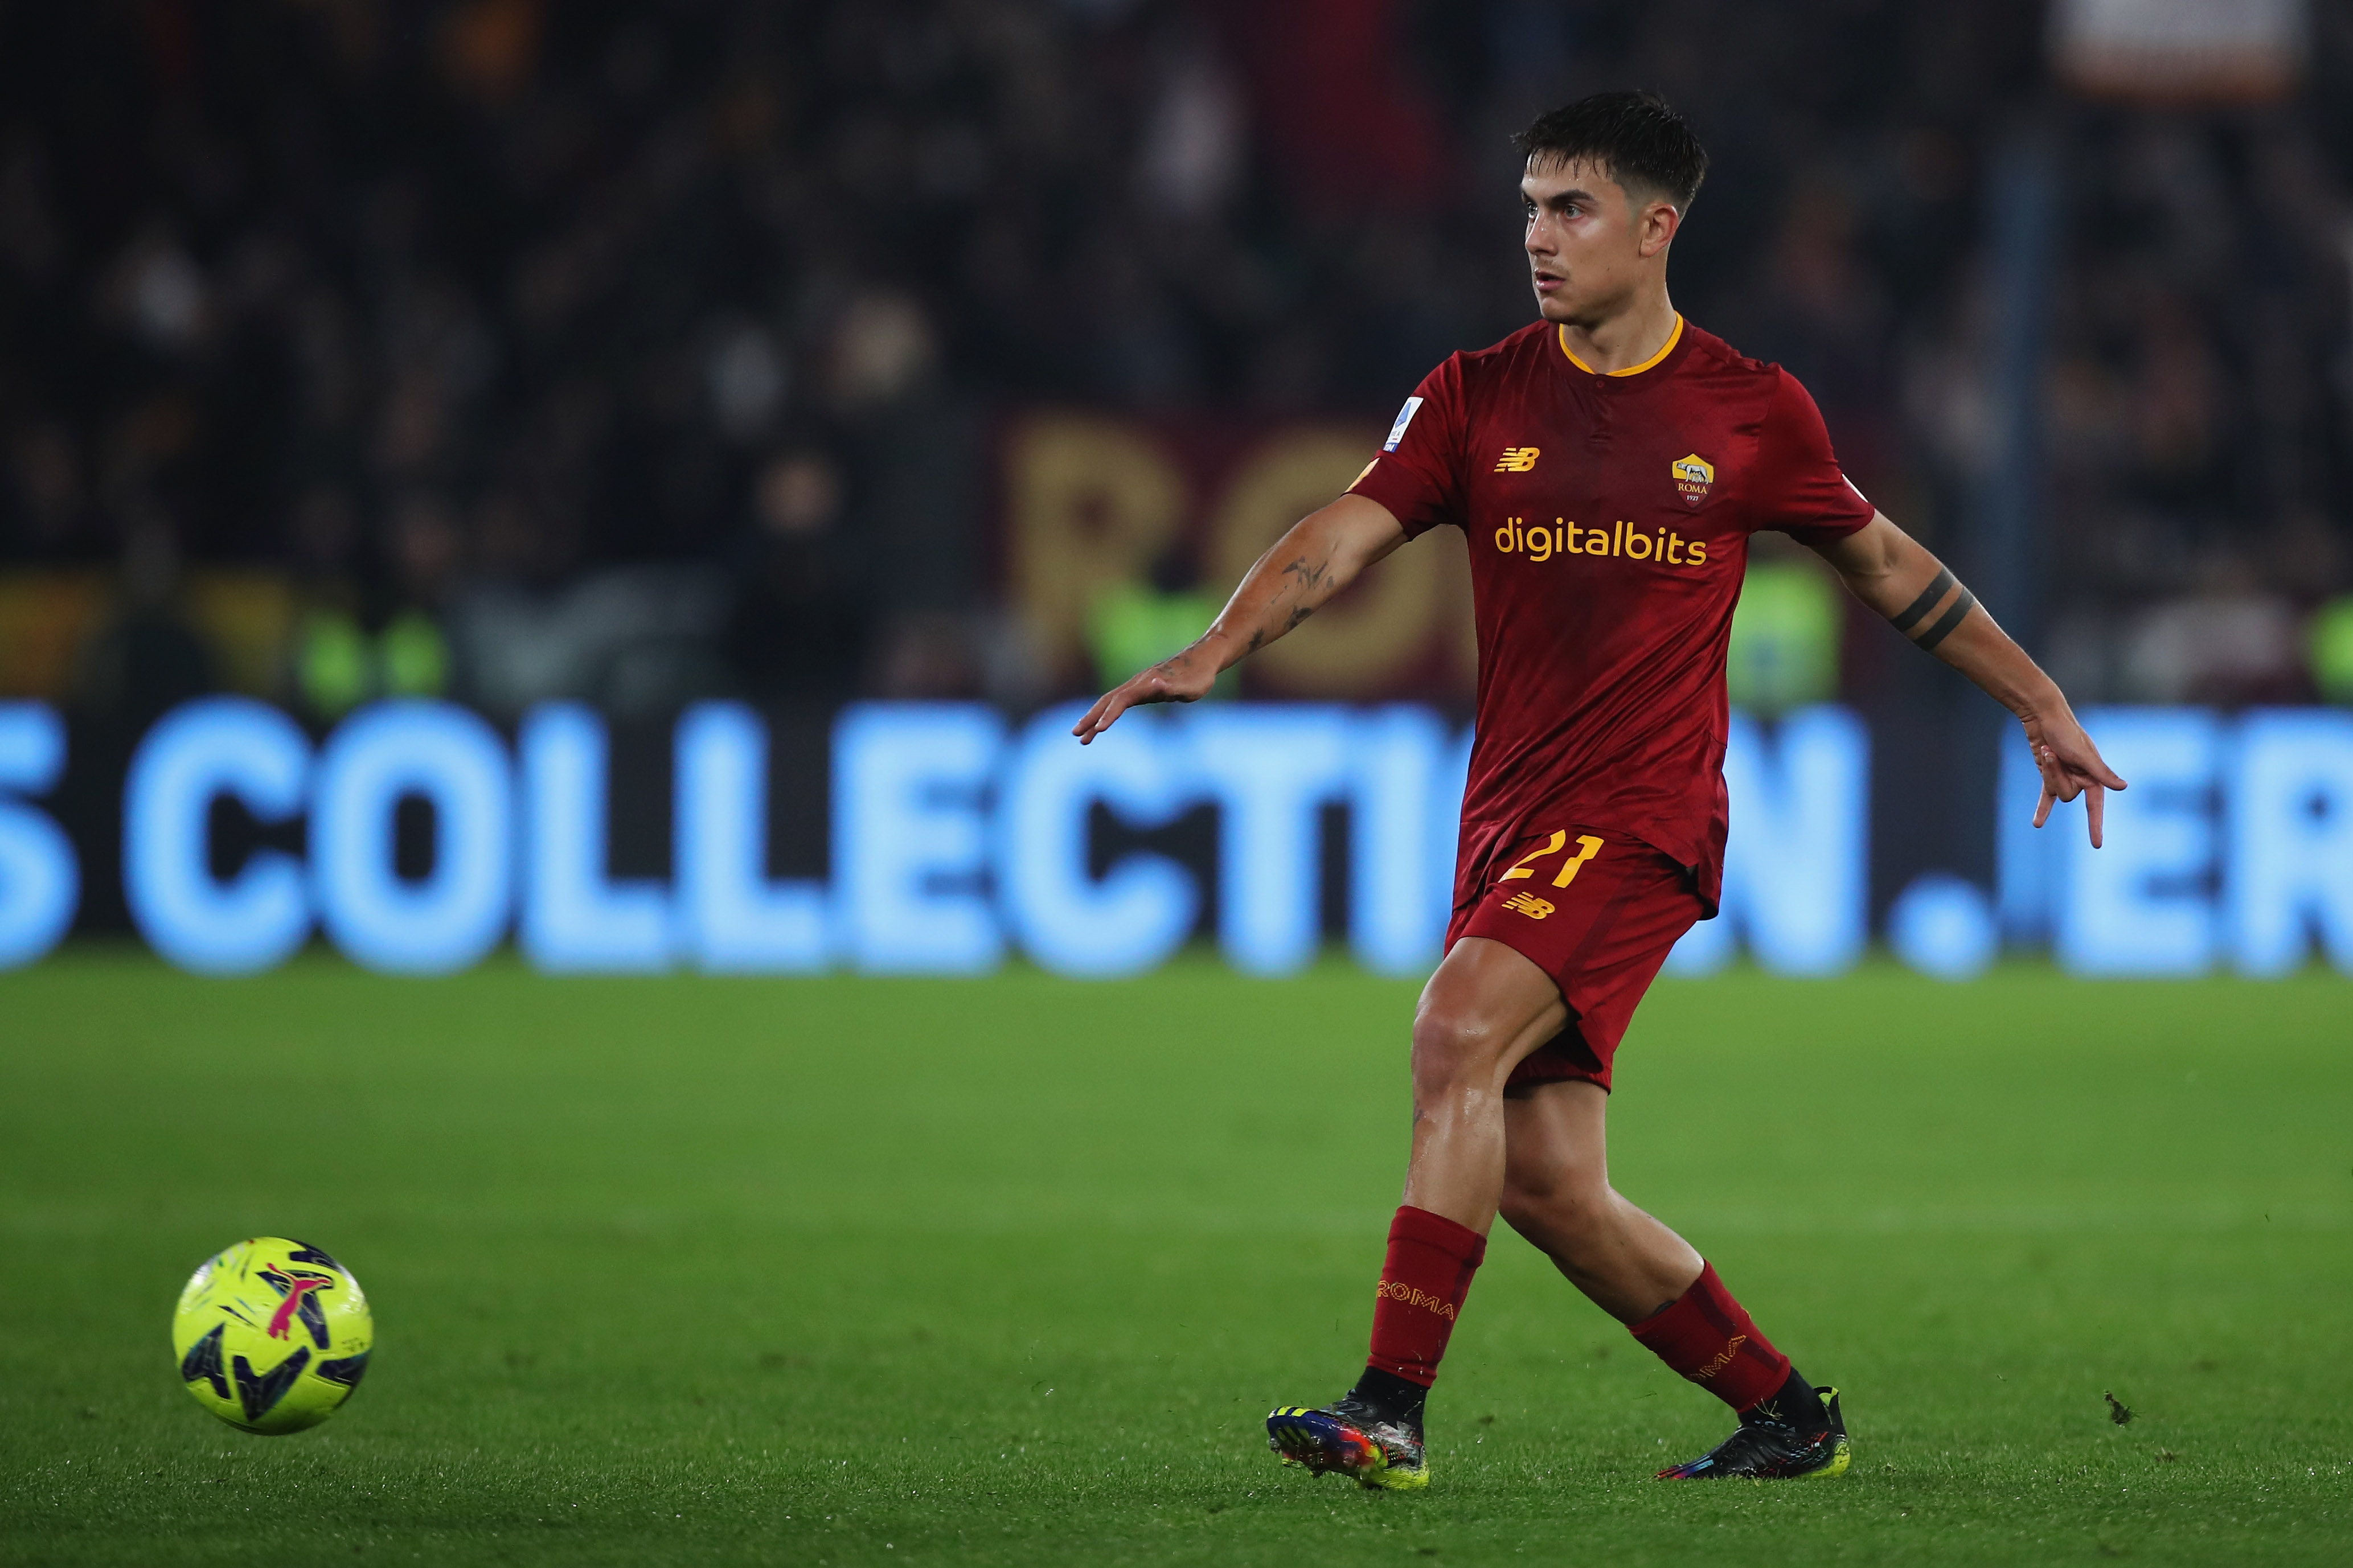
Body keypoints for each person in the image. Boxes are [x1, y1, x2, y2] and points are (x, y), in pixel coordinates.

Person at [1072, 91, 2125, 1489]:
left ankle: (1386, 1407)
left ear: (1653, 226)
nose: (1538, 237)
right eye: (1526, 209)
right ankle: (1788, 1419)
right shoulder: (1475, 393)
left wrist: (2040, 705)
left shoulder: (1749, 411)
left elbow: (1886, 566)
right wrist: (1217, 645)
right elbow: (1342, 531)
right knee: (1548, 1184)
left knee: (1452, 1036)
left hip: (1640, 818)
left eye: (1568, 209)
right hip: (1506, 814)